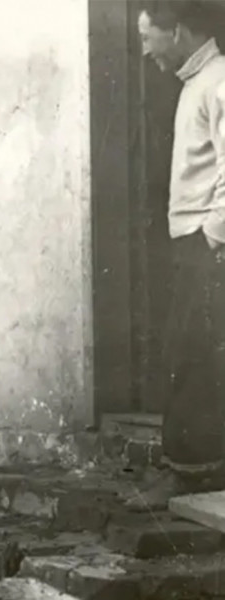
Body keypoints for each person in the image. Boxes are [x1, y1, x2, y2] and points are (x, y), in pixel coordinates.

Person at [126, 0, 225, 510]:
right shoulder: (195, 84)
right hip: (192, 240)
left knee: (192, 356)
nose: (144, 50)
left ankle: (190, 471)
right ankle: (192, 465)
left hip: (209, 245)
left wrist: (213, 236)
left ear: (178, 31)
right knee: (187, 352)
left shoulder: (219, 80)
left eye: (148, 37)